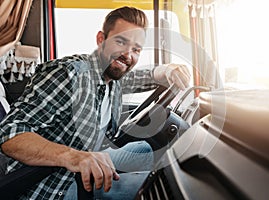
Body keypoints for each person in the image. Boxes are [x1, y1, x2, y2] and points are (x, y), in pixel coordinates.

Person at [0, 6, 190, 199]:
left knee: (154, 154)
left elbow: (142, 77)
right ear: (101, 39)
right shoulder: (68, 75)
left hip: (89, 160)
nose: (128, 54)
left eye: (136, 49)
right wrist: (74, 157)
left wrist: (167, 71)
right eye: (121, 42)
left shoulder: (113, 78)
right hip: (53, 186)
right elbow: (9, 133)